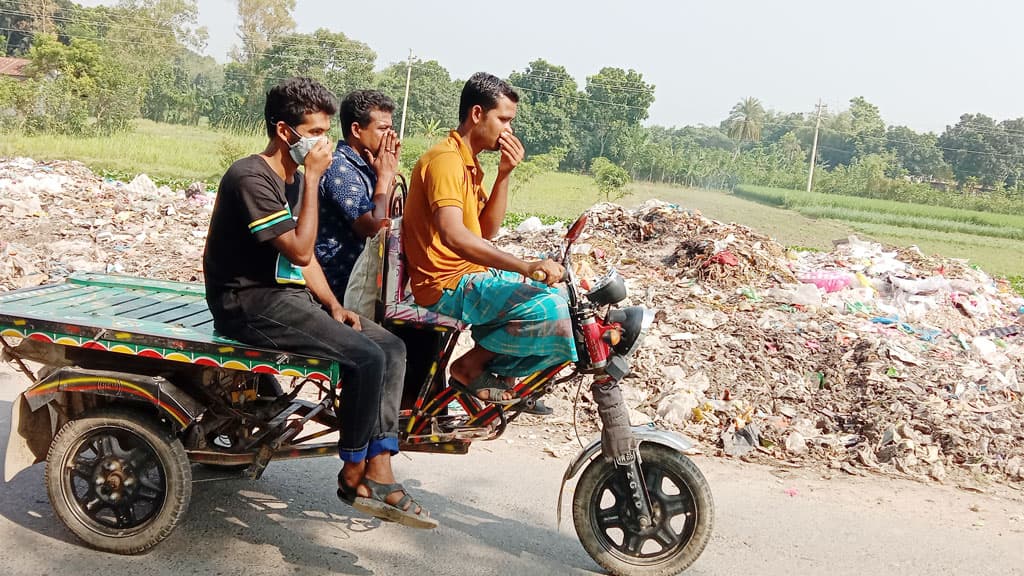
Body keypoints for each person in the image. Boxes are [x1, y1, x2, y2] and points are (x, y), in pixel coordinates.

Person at [202, 77, 435, 529]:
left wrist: (332, 304)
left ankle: (381, 463)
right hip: (246, 303)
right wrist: (311, 179)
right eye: (315, 133)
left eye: (326, 132)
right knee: (365, 359)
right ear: (285, 132)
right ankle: (353, 472)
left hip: (284, 295)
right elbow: (302, 251)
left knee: (390, 347)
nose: (323, 143)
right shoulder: (251, 177)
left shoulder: (289, 177)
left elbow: (302, 266)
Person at [402, 72, 577, 406]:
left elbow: (486, 232)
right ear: (477, 114)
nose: (508, 129)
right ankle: (472, 367)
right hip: (445, 285)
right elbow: (455, 237)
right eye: (504, 119)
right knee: (549, 309)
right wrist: (526, 266)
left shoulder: (468, 163)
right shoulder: (446, 162)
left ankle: (496, 374)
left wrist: (505, 173)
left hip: (467, 275)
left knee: (562, 303)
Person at [315, 89, 400, 301]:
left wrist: (387, 177)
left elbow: (392, 219)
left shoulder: (372, 167)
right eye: (383, 129)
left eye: (391, 129)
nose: (391, 136)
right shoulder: (339, 168)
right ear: (356, 129)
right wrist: (384, 178)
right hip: (341, 287)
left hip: (366, 284)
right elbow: (373, 230)